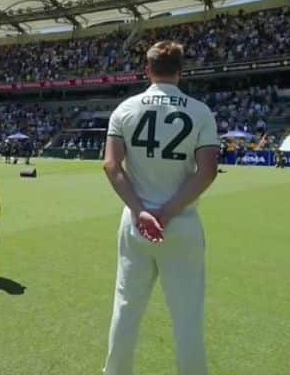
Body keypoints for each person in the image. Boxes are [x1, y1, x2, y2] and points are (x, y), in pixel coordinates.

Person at [102, 41, 219, 375]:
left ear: (147, 70)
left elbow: (111, 165)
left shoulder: (124, 109)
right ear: (181, 72)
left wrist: (141, 211)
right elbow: (207, 170)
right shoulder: (200, 111)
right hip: (181, 223)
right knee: (187, 317)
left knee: (126, 309)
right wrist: (166, 212)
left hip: (136, 223)